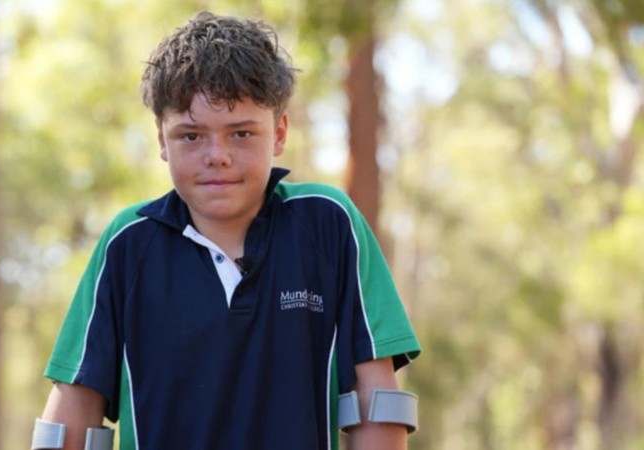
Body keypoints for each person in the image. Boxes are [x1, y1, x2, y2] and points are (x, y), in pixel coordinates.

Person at [36, 11, 421, 450]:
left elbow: (376, 403)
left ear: (278, 133)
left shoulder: (328, 223)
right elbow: (73, 417)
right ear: (162, 140)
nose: (217, 155)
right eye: (191, 136)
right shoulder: (128, 244)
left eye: (240, 133)